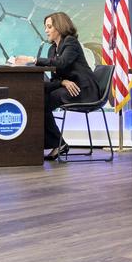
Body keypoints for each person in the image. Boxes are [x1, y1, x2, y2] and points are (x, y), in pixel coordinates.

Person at [9, 12, 99, 160]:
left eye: (49, 27)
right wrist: (62, 82)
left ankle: (58, 144)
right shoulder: (52, 49)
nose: (46, 30)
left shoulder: (71, 42)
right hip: (69, 87)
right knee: (40, 97)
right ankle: (58, 143)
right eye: (46, 27)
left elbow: (62, 63)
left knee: (42, 101)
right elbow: (56, 77)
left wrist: (33, 59)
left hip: (83, 90)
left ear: (59, 27)